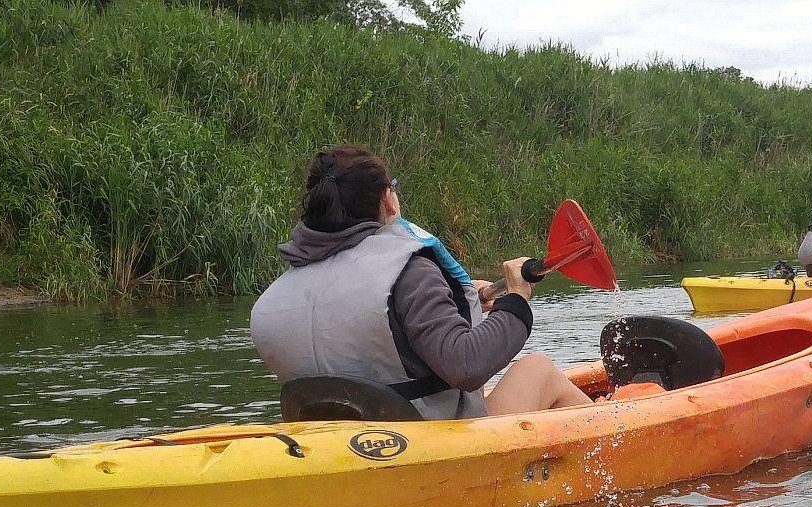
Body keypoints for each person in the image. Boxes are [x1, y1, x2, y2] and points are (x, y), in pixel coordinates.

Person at [250, 145, 590, 420]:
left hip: (338, 447)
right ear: (387, 200)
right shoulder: (409, 274)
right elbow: (466, 365)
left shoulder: (276, 296)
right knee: (539, 369)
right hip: (426, 444)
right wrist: (515, 298)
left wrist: (458, 301)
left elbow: (365, 337)